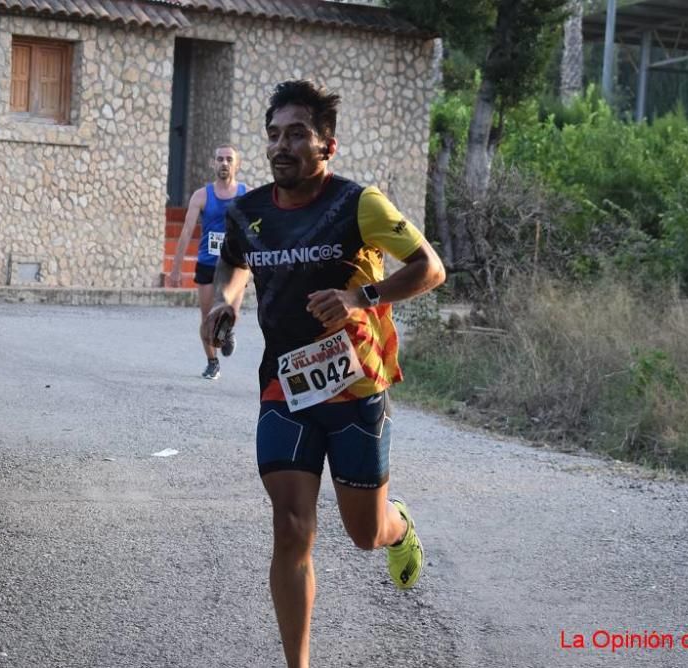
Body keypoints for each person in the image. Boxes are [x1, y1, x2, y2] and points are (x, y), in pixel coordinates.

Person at [202, 80, 445, 668]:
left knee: (363, 534)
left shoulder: (358, 203)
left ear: (326, 145)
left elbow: (429, 268)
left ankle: (396, 525)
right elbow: (233, 262)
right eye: (275, 135)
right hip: (284, 387)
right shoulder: (248, 212)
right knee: (291, 527)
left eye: (298, 134)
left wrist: (362, 294)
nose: (282, 146)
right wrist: (225, 303)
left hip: (356, 387)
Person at [170, 144, 248, 380]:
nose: (224, 163)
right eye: (220, 159)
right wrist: (175, 270)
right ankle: (212, 362)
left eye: (228, 159)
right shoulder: (201, 196)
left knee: (230, 311)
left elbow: (259, 231)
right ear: (212, 163)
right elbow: (185, 232)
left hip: (236, 265)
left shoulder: (247, 195)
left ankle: (228, 332)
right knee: (207, 318)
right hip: (207, 264)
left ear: (237, 164)